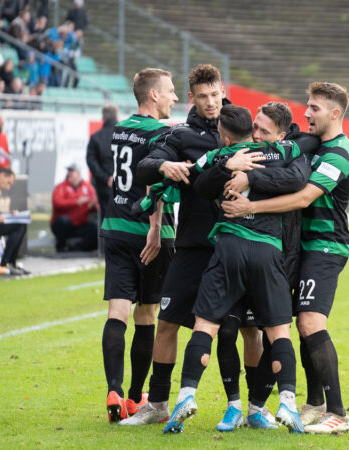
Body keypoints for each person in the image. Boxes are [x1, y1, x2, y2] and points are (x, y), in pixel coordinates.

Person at [121, 64, 260, 429]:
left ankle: (256, 409)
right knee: (166, 322)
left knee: (247, 329)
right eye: (203, 97)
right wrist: (165, 165)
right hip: (195, 245)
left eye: (215, 94)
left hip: (239, 242)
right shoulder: (182, 135)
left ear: (223, 90)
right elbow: (145, 166)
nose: (211, 102)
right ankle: (158, 404)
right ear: (192, 98)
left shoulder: (244, 127)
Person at [159, 104, 310, 435]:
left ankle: (186, 396)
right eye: (255, 127)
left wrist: (238, 171)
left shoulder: (227, 155)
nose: (257, 133)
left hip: (229, 248)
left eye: (264, 129)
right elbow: (299, 178)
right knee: (279, 331)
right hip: (267, 251)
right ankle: (287, 403)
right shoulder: (287, 151)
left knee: (206, 324)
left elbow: (199, 187)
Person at [221, 82, 349, 434]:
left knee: (311, 322)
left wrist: (251, 205)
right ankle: (314, 403)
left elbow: (303, 199)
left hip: (326, 246)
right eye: (307, 106)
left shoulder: (340, 152)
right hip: (299, 247)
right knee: (293, 322)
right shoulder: (310, 145)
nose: (306, 113)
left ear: (335, 113)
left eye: (314, 107)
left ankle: (339, 414)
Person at [98, 67, 178, 423]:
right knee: (147, 314)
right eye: (171, 91)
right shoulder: (161, 131)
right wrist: (155, 227)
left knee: (118, 312)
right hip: (146, 232)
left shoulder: (120, 129)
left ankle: (114, 389)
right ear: (153, 95)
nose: (175, 97)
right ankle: (134, 397)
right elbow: (153, 183)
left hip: (114, 227)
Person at [50, 164, 98, 252]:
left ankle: (77, 248)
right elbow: (57, 203)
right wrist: (76, 202)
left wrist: (93, 205)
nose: (69, 173)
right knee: (63, 221)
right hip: (65, 225)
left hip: (80, 224)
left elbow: (94, 207)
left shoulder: (88, 187)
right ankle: (61, 247)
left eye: (72, 171)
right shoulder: (61, 187)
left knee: (96, 229)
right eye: (69, 171)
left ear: (79, 173)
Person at [86, 104, 118, 222]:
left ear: (103, 118)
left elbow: (91, 161)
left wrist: (106, 178)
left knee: (106, 219)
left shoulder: (96, 137)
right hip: (124, 184)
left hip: (104, 185)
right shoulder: (126, 135)